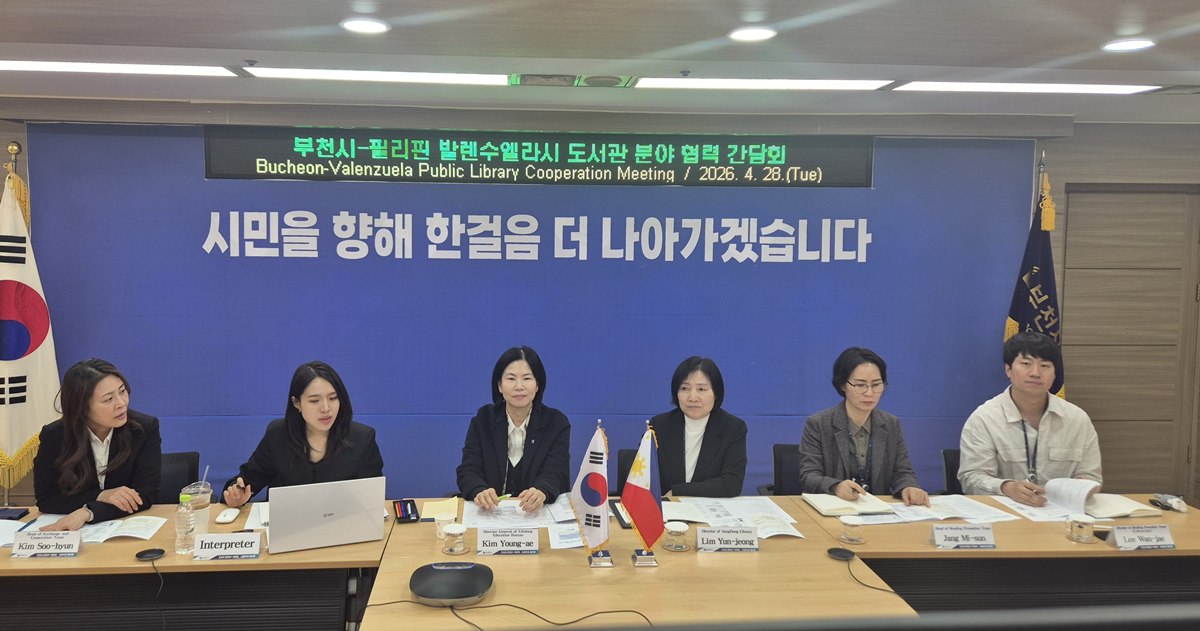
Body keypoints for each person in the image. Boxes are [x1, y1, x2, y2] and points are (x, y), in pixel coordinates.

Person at [958, 331, 1102, 506]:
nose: (1035, 373)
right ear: (1008, 369)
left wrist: (1085, 485)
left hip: (1063, 512)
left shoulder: (1077, 419)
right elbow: (971, 478)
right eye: (1026, 364)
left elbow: (1091, 476)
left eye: (1045, 365)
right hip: (1007, 512)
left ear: (1055, 374)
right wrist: (1007, 487)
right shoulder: (984, 419)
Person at [222, 361, 384, 507]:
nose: (326, 408)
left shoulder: (362, 439)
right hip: (287, 525)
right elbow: (246, 482)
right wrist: (236, 495)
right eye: (314, 401)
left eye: (333, 398)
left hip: (342, 524)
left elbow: (373, 498)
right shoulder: (277, 435)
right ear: (296, 403)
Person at [33, 359, 162, 531]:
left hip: (125, 529)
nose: (121, 403)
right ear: (82, 406)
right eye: (108, 399)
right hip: (73, 534)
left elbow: (143, 495)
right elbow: (46, 499)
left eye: (122, 391)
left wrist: (89, 512)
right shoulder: (54, 435)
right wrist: (101, 495)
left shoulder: (143, 429)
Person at [799, 347, 928, 506]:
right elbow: (809, 476)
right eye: (860, 385)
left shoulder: (891, 424)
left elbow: (902, 472)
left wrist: (909, 487)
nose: (869, 393)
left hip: (879, 512)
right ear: (842, 385)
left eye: (876, 385)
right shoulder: (819, 424)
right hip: (836, 509)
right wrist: (836, 487)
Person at [457, 346, 571, 513]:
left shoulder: (555, 423)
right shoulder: (483, 420)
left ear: (538, 385)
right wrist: (479, 490)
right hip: (492, 513)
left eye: (527, 378)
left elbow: (556, 471)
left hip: (536, 513)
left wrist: (542, 490)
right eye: (511, 378)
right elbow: (468, 470)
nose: (519, 386)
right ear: (499, 385)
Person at [650, 356, 747, 498]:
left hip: (709, 508)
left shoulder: (733, 428)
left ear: (716, 393)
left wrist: (678, 491)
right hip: (666, 508)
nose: (692, 398)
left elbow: (731, 484)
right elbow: (644, 476)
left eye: (701, 389)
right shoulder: (659, 426)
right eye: (685, 388)